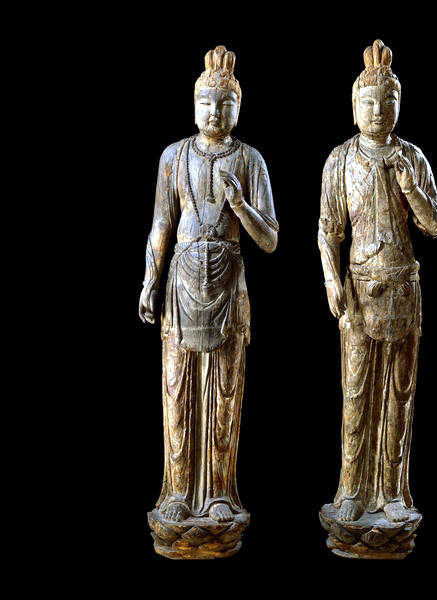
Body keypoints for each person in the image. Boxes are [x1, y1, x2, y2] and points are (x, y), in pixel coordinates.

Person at [139, 45, 278, 524]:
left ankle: (219, 492)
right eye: (206, 102)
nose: (214, 111)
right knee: (177, 391)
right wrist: (149, 281)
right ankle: (178, 492)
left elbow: (270, 239)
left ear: (239, 108)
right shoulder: (174, 156)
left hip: (227, 285)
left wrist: (240, 206)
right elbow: (161, 225)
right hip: (181, 287)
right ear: (193, 104)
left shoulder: (250, 160)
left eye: (225, 103)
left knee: (224, 393)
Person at [318, 39, 437, 523]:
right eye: (368, 102)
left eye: (387, 101)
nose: (377, 110)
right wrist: (331, 281)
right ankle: (351, 489)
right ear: (354, 107)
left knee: (398, 395)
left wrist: (411, 188)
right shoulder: (340, 160)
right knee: (355, 394)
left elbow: (435, 226)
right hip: (359, 292)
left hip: (403, 290)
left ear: (399, 104)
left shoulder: (412, 158)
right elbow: (328, 231)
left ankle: (392, 492)